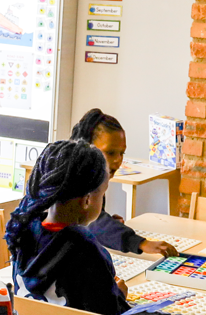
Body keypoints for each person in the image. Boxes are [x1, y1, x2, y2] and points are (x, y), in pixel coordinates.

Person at [5, 140, 129, 315]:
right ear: (87, 200)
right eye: (102, 193)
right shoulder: (86, 248)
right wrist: (119, 295)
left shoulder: (25, 230)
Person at [70, 108, 179, 257]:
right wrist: (140, 242)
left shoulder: (95, 179)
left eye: (122, 153)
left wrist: (110, 223)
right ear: (87, 148)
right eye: (110, 152)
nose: (118, 160)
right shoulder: (73, 180)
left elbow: (91, 219)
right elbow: (93, 224)